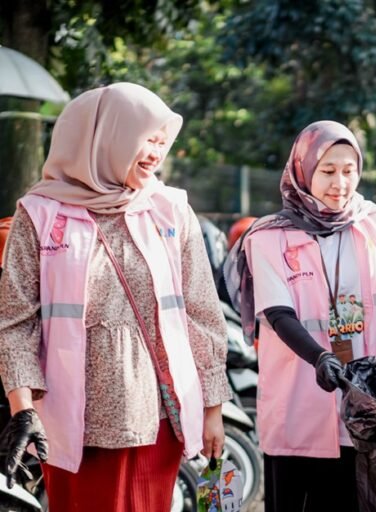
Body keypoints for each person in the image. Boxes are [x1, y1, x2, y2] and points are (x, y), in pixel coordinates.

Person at [0, 83, 231, 512]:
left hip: (157, 418)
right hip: (73, 423)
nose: (157, 153)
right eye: (148, 140)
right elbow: (15, 322)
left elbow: (201, 312)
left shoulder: (171, 209)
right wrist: (22, 410)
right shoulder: (39, 213)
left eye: (163, 143)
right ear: (106, 136)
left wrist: (214, 408)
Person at [226, 120, 376, 512]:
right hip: (296, 407)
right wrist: (320, 357)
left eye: (349, 171)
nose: (339, 183)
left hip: (363, 409)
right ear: (304, 170)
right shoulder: (268, 236)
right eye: (327, 171)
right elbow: (277, 312)